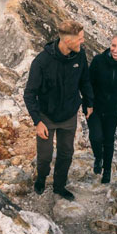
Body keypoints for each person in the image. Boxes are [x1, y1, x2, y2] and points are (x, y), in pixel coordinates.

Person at [24, 20, 94, 201]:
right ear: (67, 40)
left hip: (69, 115)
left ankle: (59, 186)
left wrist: (89, 103)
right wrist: (37, 121)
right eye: (79, 38)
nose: (83, 41)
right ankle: (41, 179)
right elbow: (29, 94)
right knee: (45, 155)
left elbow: (84, 81)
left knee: (66, 153)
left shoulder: (80, 56)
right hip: (46, 116)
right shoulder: (42, 62)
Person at [86, 33, 117, 184]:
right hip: (94, 107)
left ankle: (106, 170)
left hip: (112, 110)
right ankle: (98, 157)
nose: (115, 49)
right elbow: (88, 84)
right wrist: (87, 104)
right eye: (113, 45)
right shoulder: (98, 61)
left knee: (108, 140)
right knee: (96, 137)